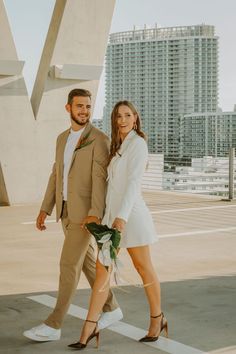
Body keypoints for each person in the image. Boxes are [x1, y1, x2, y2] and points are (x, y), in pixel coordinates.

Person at [23, 89, 123, 342]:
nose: (84, 111)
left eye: (88, 106)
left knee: (68, 266)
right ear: (68, 108)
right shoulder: (61, 139)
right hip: (65, 211)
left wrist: (94, 214)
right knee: (88, 264)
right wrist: (46, 207)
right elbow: (57, 174)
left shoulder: (98, 139)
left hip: (85, 216)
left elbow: (100, 181)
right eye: (79, 106)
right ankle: (112, 308)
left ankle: (54, 324)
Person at [68, 100, 168, 350]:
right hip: (110, 220)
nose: (122, 120)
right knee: (103, 271)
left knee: (143, 267)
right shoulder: (118, 146)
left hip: (131, 217)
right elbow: (111, 188)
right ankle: (89, 328)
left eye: (127, 115)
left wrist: (121, 217)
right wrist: (101, 217)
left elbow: (133, 184)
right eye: (118, 116)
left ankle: (158, 319)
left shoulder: (138, 144)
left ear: (135, 118)